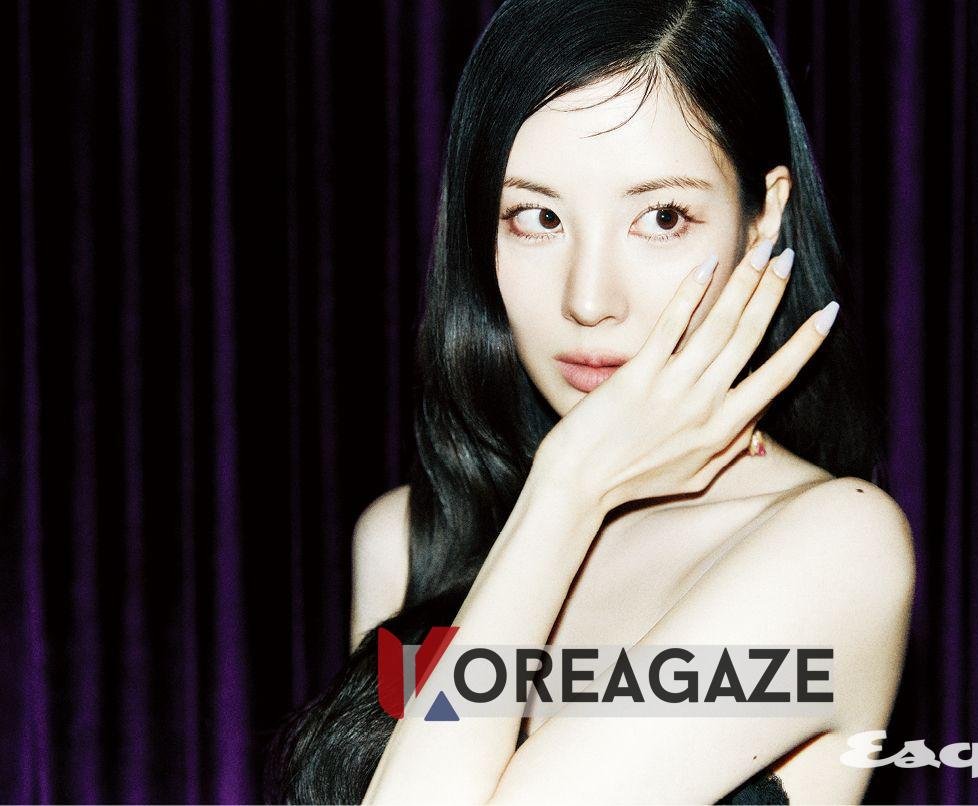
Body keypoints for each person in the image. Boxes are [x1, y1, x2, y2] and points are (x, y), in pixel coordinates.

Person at [264, 0, 915, 802]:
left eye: (663, 217)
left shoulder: (833, 547)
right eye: (537, 217)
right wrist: (563, 499)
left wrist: (566, 490)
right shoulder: (407, 541)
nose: (589, 298)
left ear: (761, 220)